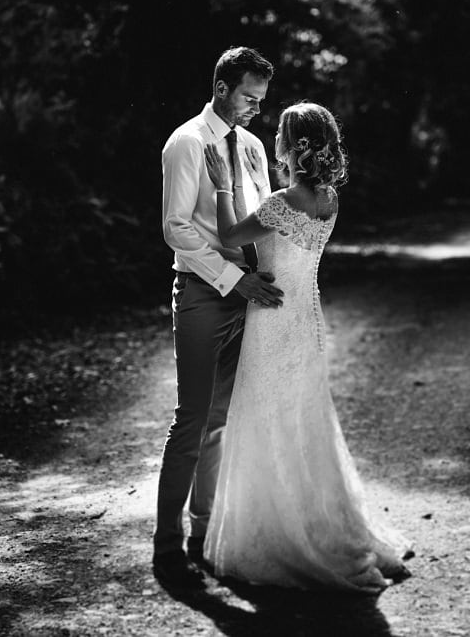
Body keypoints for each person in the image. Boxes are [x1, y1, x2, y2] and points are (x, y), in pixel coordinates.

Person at [201, 101, 411, 591]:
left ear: (294, 144)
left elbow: (232, 235)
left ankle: (283, 537)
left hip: (274, 322)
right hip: (307, 319)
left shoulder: (285, 201)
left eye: (279, 134)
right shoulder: (327, 199)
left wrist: (222, 183)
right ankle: (317, 525)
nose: (273, 140)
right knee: (303, 425)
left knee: (268, 423)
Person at [154, 47, 285, 588]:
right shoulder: (187, 141)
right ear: (223, 86)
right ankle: (166, 545)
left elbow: (258, 217)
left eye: (261, 100)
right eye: (249, 96)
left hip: (252, 295)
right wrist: (235, 280)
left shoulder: (253, 146)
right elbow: (176, 228)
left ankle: (203, 533)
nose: (255, 108)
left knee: (221, 422)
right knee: (191, 419)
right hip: (206, 294)